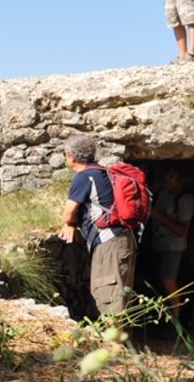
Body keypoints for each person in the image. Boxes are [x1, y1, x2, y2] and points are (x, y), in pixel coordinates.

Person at [57, 135, 138, 317]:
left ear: (71, 156)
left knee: (109, 299)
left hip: (109, 243)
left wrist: (69, 222)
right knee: (120, 297)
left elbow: (67, 214)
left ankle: (114, 336)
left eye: (64, 155)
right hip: (122, 239)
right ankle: (120, 335)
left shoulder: (84, 177)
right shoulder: (103, 172)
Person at [149, 168, 194, 320]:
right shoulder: (164, 192)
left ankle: (176, 320)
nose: (166, 179)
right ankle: (161, 316)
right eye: (167, 175)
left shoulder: (185, 199)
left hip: (173, 248)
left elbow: (183, 231)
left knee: (168, 280)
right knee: (159, 280)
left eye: (171, 176)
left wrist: (161, 218)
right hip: (158, 244)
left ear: (180, 182)